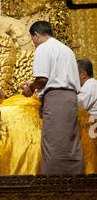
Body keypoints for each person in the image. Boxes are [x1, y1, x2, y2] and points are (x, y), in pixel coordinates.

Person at [21, 20, 83, 175]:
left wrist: (30, 88)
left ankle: (53, 187)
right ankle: (75, 184)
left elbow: (42, 79)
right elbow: (57, 76)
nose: (33, 44)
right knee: (71, 144)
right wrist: (33, 83)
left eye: (32, 40)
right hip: (70, 99)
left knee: (54, 143)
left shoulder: (43, 48)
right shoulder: (66, 50)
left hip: (56, 100)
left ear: (35, 35)